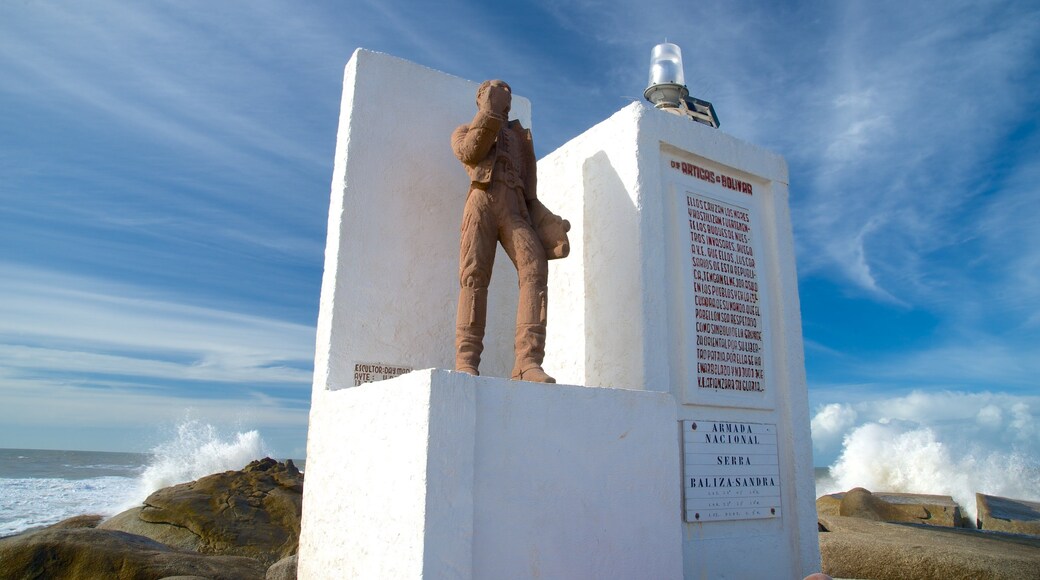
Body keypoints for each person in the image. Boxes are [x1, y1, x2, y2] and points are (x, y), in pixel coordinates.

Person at [451, 80, 568, 383]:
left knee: (535, 269)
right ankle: (466, 361)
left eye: (507, 94)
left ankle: (527, 363)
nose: (504, 97)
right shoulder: (465, 129)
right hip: (482, 201)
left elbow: (531, 196)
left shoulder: (519, 139)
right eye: (494, 92)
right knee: (474, 275)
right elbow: (470, 152)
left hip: (516, 208)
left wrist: (549, 221)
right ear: (481, 99)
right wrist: (489, 113)